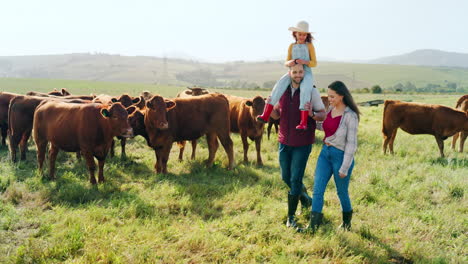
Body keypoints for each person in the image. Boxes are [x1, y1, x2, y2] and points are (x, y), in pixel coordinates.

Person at [270, 63, 326, 229]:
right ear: (290, 73)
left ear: (305, 73)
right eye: (295, 72)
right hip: (284, 141)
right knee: (285, 177)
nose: (298, 75)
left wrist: (311, 114)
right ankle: (305, 199)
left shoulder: (312, 91)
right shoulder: (282, 90)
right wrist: (271, 107)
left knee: (295, 179)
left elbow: (322, 114)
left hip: (302, 143)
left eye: (301, 72)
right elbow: (276, 114)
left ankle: (291, 217)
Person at [301, 80, 360, 233]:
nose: (329, 99)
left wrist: (345, 167)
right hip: (325, 154)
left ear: (341, 96)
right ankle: (313, 225)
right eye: (328, 96)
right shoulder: (330, 111)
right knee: (317, 189)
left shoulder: (350, 116)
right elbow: (325, 127)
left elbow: (351, 144)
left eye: (332, 96)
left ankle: (347, 223)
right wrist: (312, 116)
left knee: (341, 192)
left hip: (341, 157)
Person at [258, 20, 317, 131]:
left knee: (305, 90)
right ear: (295, 34)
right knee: (279, 85)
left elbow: (314, 63)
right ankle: (265, 115)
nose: (302, 36)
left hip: (306, 72)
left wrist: (304, 62)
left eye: (304, 34)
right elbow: (286, 62)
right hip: (292, 71)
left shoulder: (309, 46)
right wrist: (291, 62)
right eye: (300, 34)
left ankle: (303, 122)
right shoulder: (291, 46)